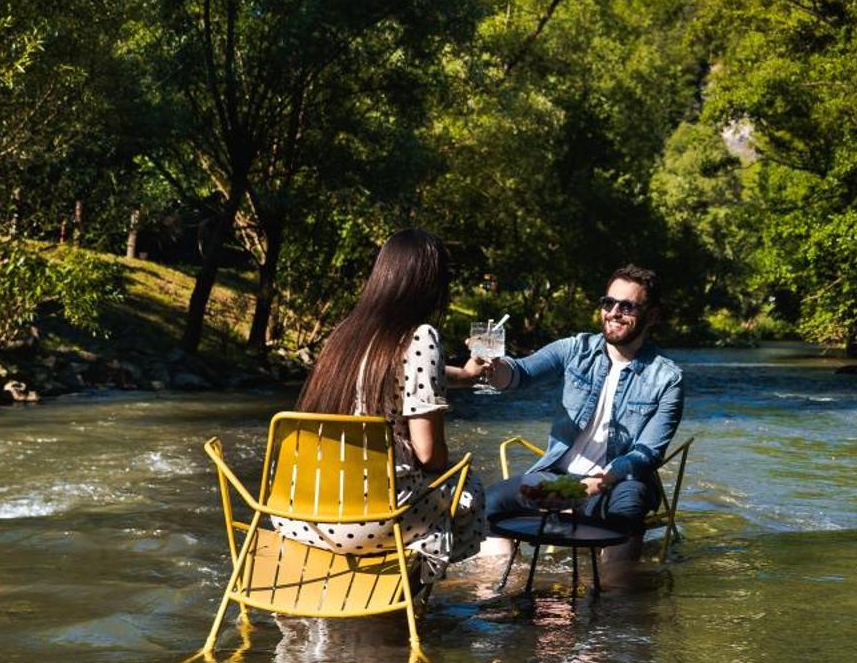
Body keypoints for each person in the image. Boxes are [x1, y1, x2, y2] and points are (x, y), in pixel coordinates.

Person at [270, 228, 487, 584]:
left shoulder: (344, 335)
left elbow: (395, 371)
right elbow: (429, 452)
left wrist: (463, 374)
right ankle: (405, 588)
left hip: (301, 513)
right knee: (469, 488)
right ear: (431, 283)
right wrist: (452, 466)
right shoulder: (421, 337)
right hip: (372, 520)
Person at [465, 263, 684, 540]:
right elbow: (519, 373)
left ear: (651, 316)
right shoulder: (573, 349)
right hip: (558, 476)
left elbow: (646, 453)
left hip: (618, 482)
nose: (613, 313)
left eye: (627, 306)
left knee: (627, 509)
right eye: (608, 303)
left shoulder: (667, 378)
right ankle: (499, 581)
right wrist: (491, 368)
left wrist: (595, 484)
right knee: (489, 504)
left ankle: (616, 582)